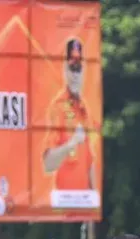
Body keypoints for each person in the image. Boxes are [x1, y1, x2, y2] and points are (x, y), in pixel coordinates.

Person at [42, 38, 97, 192]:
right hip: (65, 201)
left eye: (78, 69)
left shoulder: (84, 108)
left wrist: (95, 198)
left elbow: (89, 161)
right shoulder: (57, 106)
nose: (75, 75)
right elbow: (48, 164)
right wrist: (71, 144)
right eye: (72, 68)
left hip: (83, 202)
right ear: (65, 70)